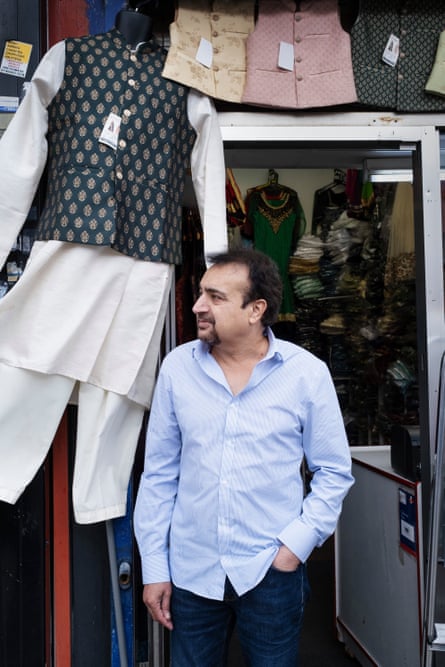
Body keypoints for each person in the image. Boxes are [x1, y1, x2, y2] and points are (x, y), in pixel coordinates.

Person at [0, 1, 227, 523]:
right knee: (33, 349)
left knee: (122, 375)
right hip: (71, 237)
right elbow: (19, 157)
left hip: (147, 251)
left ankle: (99, 498)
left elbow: (207, 158)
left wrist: (215, 259)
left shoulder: (183, 75)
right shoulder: (67, 56)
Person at [134, 247, 354, 666]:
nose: (199, 306)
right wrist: (156, 568)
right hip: (191, 573)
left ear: (256, 309)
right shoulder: (177, 369)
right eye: (201, 294)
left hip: (270, 573)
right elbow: (159, 475)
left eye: (215, 297)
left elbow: (333, 472)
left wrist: (293, 549)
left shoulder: (305, 374)